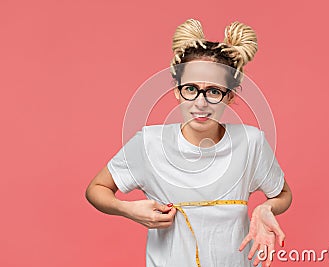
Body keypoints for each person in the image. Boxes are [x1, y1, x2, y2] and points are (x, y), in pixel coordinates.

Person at [86, 19, 292, 267]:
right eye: (191, 89)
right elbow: (96, 188)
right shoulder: (149, 143)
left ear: (230, 96)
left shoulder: (251, 142)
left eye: (214, 91)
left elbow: (282, 194)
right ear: (176, 90)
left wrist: (266, 208)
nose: (201, 103)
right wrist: (128, 210)